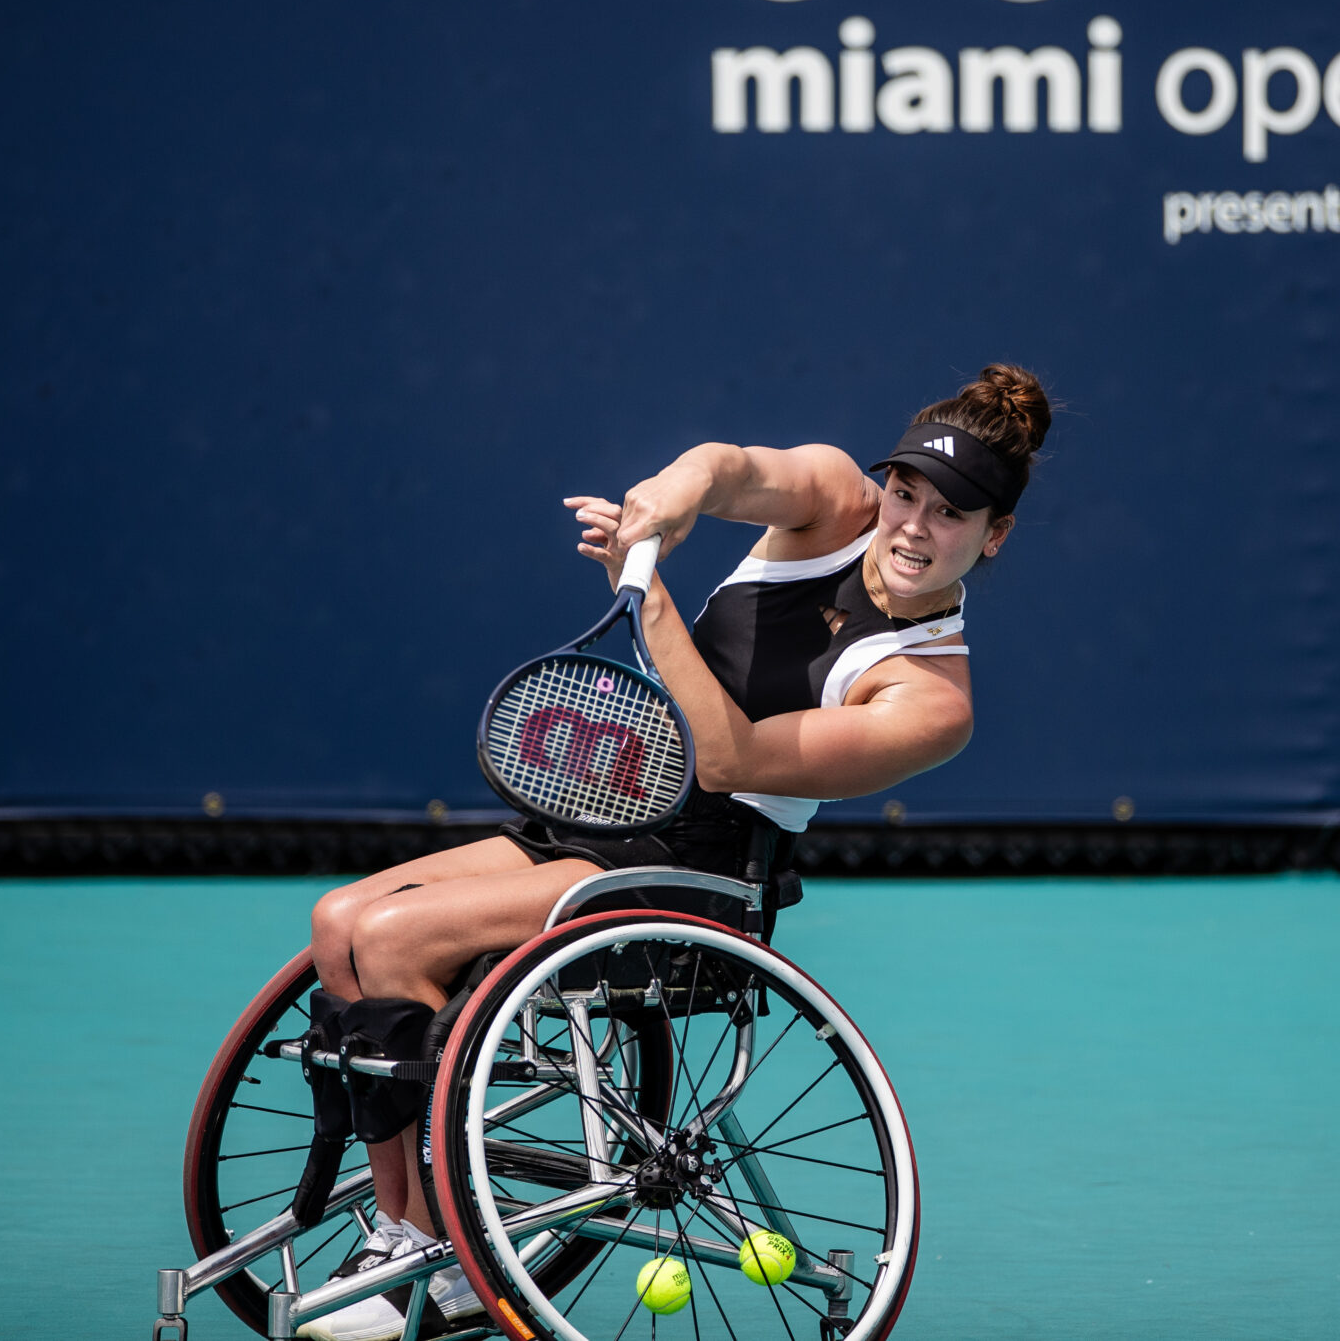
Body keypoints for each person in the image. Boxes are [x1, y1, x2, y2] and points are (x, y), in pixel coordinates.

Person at [288, 364, 1051, 1340]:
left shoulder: (931, 701)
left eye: (950, 514)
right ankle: (402, 1239)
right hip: (612, 809)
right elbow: (729, 467)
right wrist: (669, 501)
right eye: (906, 493)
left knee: (392, 941)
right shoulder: (832, 499)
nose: (912, 524)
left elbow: (730, 759)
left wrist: (642, 593)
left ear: (995, 536)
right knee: (340, 921)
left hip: (702, 872)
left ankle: (455, 1269)